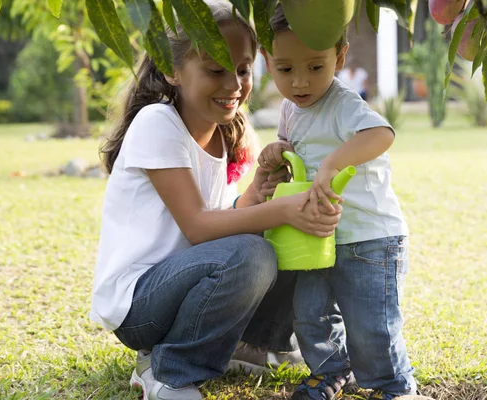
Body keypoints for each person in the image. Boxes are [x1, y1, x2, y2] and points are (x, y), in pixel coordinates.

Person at [90, 2, 342, 399]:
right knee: (253, 251)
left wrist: (255, 196)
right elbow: (197, 226)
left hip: (185, 283)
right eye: (215, 70)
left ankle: (254, 346)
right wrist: (276, 209)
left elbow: (217, 227)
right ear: (172, 70)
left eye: (243, 69)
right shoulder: (158, 122)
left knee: (276, 236)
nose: (234, 85)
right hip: (140, 305)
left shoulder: (222, 133)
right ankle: (168, 372)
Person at [257, 5, 420, 400]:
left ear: (340, 57)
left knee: (371, 324)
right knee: (310, 315)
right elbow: (294, 149)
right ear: (267, 61)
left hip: (368, 238)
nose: (300, 82)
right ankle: (330, 370)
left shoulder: (343, 104)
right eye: (285, 69)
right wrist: (278, 151)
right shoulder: (290, 109)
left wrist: (333, 162)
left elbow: (381, 134)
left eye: (315, 67)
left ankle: (393, 386)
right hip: (317, 237)